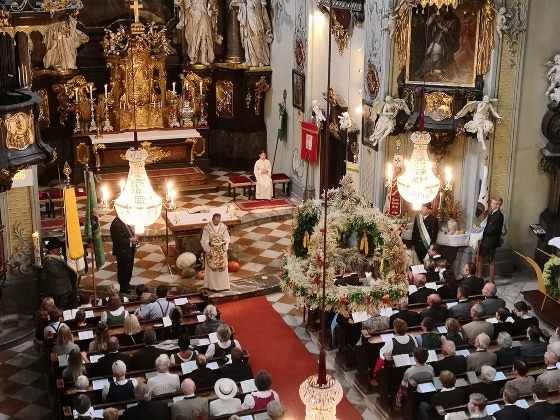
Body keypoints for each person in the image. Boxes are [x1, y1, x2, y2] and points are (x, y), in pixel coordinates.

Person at [178, 0, 221, 65]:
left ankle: (204, 57)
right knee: (195, 38)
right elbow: (184, 4)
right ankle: (194, 57)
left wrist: (214, 6)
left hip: (204, 14)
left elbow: (212, 2)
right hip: (193, 14)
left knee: (204, 34)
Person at [231, 0, 273, 67]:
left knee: (257, 37)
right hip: (248, 23)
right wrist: (241, 5)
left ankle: (260, 60)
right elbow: (233, 4)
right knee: (248, 39)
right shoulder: (246, 2)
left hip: (257, 22)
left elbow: (264, 13)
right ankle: (250, 60)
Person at [476, 196, 504, 283]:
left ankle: (491, 280)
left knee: (491, 260)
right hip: (486, 240)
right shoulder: (492, 213)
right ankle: (479, 277)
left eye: (492, 203)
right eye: (491, 202)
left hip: (491, 241)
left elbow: (492, 229)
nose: (491, 204)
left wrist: (481, 231)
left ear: (498, 205)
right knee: (480, 257)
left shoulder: (498, 216)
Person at [43, 237, 76, 309]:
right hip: (59, 289)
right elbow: (57, 273)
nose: (59, 249)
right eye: (57, 248)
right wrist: (69, 269)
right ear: (52, 249)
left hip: (64, 287)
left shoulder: (56, 257)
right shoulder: (49, 260)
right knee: (59, 306)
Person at [201, 213, 231, 291]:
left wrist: (224, 244)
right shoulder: (207, 228)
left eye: (218, 221)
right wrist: (208, 246)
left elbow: (227, 238)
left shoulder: (223, 227)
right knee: (212, 271)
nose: (217, 223)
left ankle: (224, 286)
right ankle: (212, 286)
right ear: (212, 219)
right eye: (215, 221)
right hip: (212, 250)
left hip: (221, 250)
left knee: (222, 269)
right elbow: (204, 240)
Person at [110, 216, 138, 293]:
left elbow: (128, 233)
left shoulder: (124, 221)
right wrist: (130, 239)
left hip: (129, 249)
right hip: (122, 251)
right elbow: (117, 240)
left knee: (129, 268)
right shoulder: (115, 224)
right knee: (123, 269)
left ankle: (126, 283)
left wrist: (133, 238)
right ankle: (122, 287)